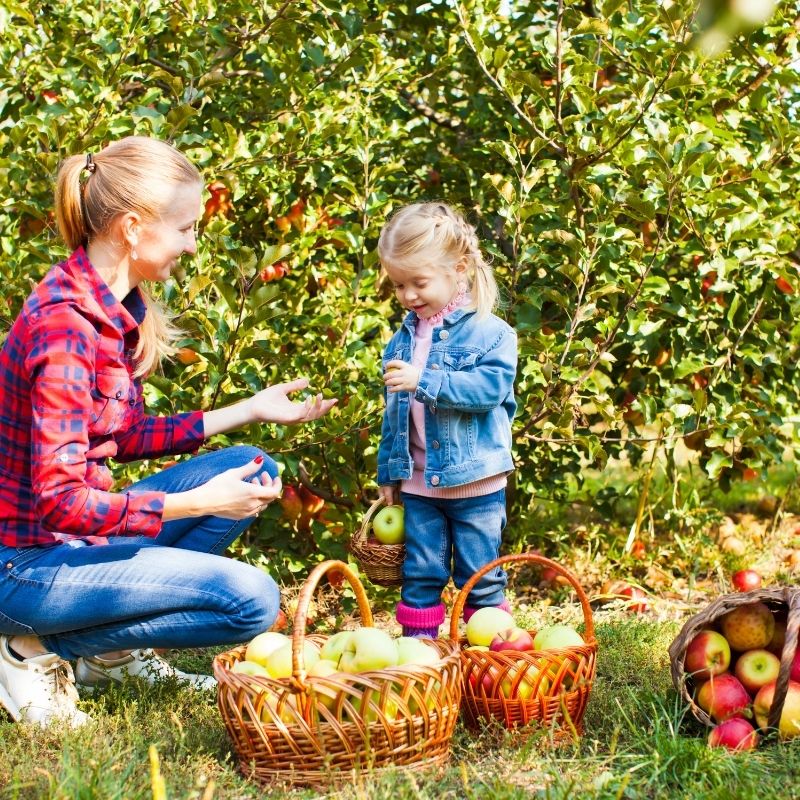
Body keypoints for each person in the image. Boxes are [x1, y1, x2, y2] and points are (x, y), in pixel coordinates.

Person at [0, 136, 336, 727]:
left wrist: (249, 409)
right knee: (249, 600)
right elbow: (59, 502)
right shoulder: (65, 330)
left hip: (69, 550)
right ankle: (29, 648)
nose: (192, 243)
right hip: (22, 567)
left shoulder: (109, 306)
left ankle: (105, 654)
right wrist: (197, 503)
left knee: (254, 466)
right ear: (133, 228)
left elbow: (121, 436)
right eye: (185, 228)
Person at [376, 202, 517, 639]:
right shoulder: (403, 338)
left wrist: (426, 381)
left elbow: (488, 392)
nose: (408, 296)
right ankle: (422, 659)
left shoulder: (490, 333)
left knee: (481, 576)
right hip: (419, 485)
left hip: (475, 484)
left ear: (458, 269)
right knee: (420, 574)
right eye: (399, 285)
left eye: (419, 283)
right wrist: (389, 473)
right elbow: (393, 415)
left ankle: (490, 657)